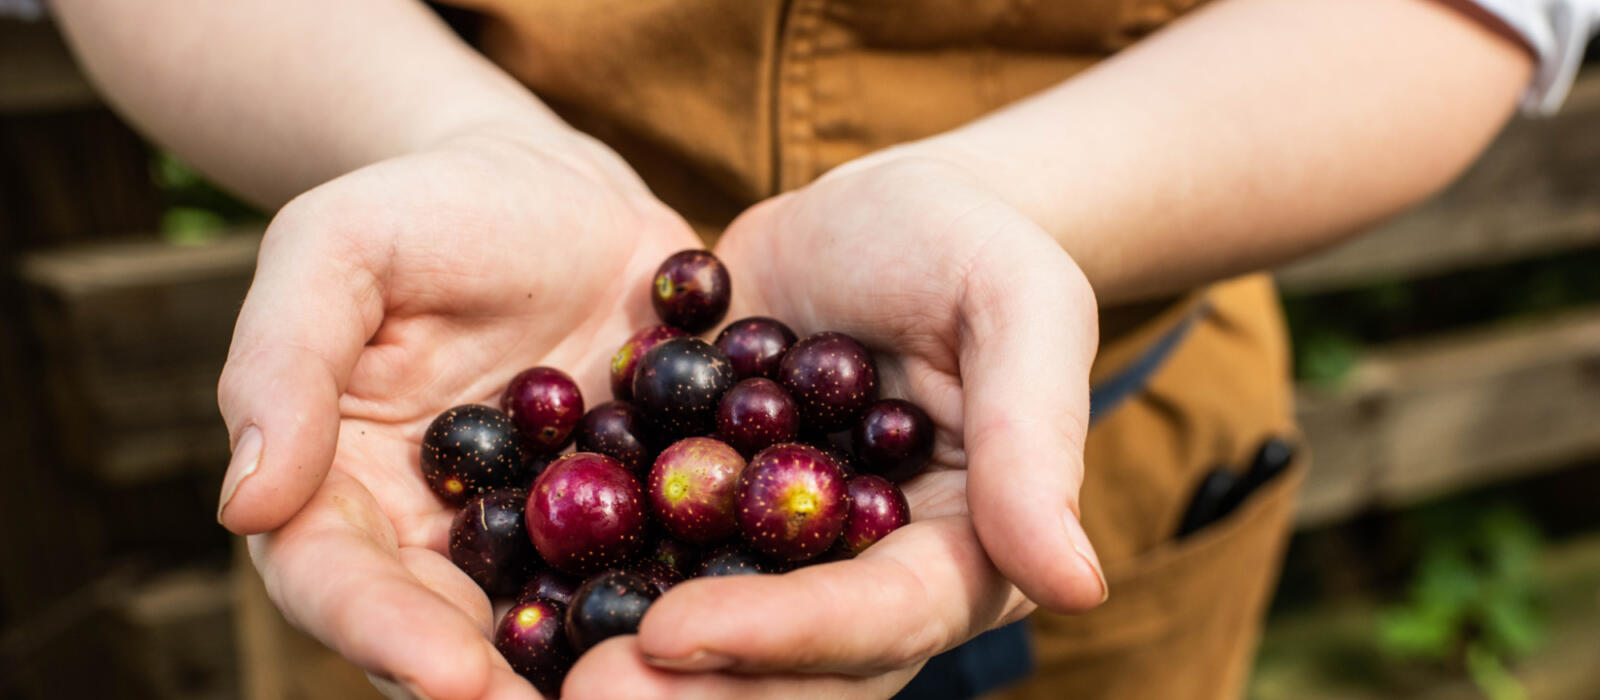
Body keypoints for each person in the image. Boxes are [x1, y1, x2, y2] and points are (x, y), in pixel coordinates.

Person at [52, 0, 1596, 698]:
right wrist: (452, 136)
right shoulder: (572, 479)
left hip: (1113, 455)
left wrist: (1009, 204)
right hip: (422, 483)